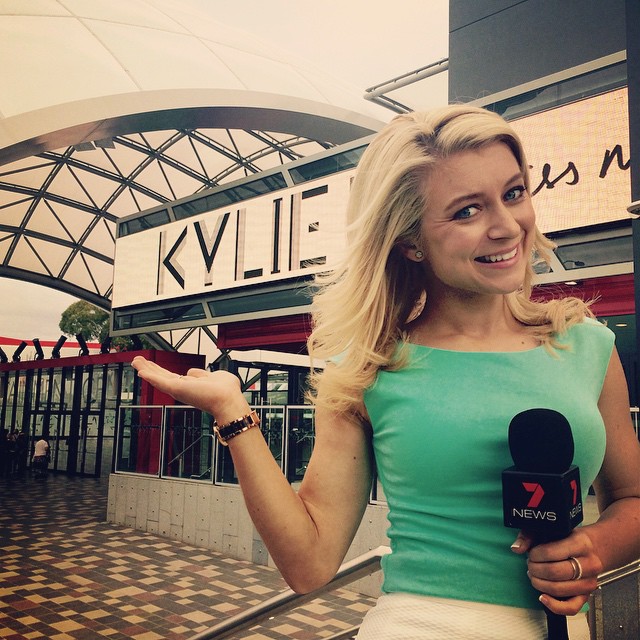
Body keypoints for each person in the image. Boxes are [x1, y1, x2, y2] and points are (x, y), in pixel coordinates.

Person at [132, 105, 640, 640]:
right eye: (467, 211)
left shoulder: (587, 345)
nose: (507, 226)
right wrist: (232, 412)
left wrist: (591, 548)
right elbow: (309, 564)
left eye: (514, 193)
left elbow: (632, 500)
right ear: (410, 241)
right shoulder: (367, 370)